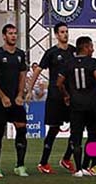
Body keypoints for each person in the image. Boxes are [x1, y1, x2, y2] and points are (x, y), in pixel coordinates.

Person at [57, 35, 96, 177]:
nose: (93, 49)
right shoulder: (93, 63)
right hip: (92, 104)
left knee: (76, 136)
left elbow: (59, 83)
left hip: (76, 105)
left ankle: (78, 169)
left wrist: (66, 94)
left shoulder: (68, 63)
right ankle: (85, 166)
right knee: (93, 136)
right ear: (85, 47)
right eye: (91, 46)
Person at [25, 22, 76, 174]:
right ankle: (43, 162)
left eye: (66, 31)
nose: (65, 34)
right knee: (54, 128)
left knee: (77, 127)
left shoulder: (74, 51)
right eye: (62, 32)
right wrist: (29, 90)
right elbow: (38, 70)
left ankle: (66, 159)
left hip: (72, 95)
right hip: (55, 95)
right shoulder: (51, 53)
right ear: (56, 35)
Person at [0, 24, 29, 178]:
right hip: (0, 100)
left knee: (22, 128)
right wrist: (2, 96)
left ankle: (20, 165)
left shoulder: (20, 54)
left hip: (15, 99)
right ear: (4, 36)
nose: (13, 36)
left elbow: (22, 75)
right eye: (10, 33)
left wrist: (20, 95)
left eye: (15, 33)